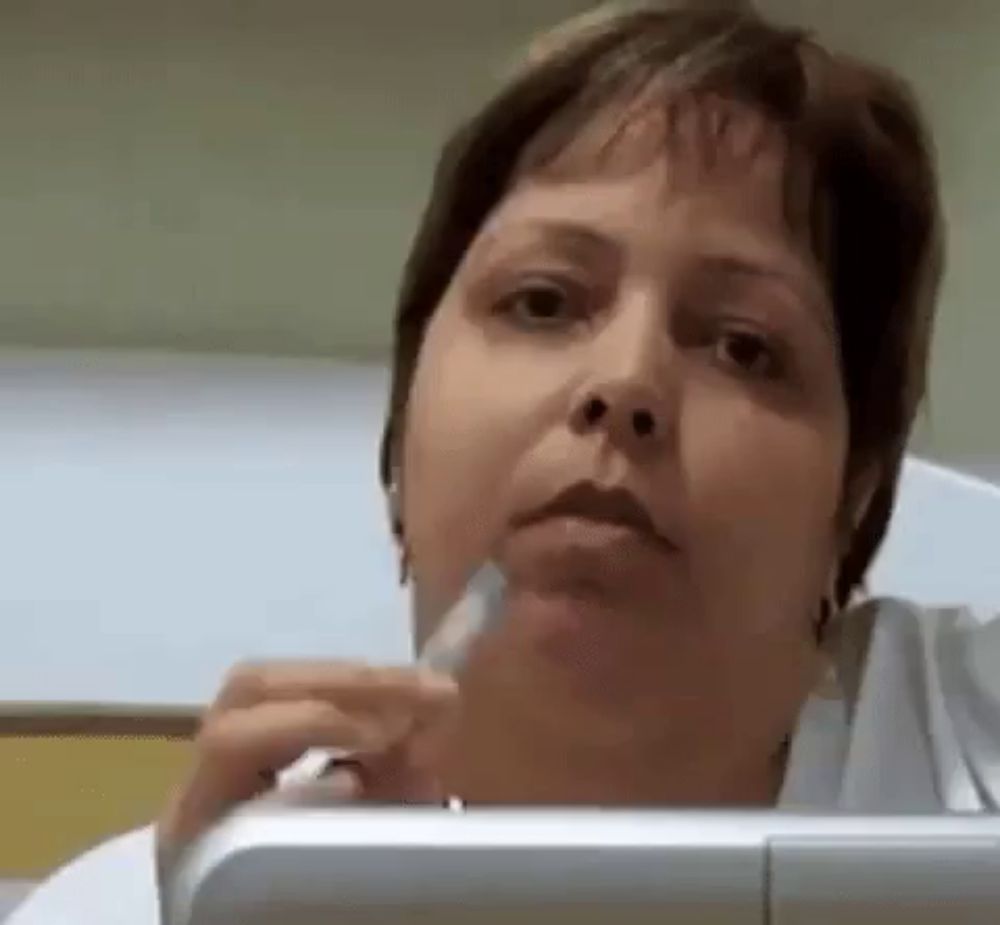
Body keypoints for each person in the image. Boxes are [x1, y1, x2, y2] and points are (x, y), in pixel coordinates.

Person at [12, 3, 1000, 923]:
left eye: (744, 345)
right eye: (542, 300)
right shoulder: (147, 907)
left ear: (855, 495)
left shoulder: (964, 743)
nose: (625, 381)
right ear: (402, 444)